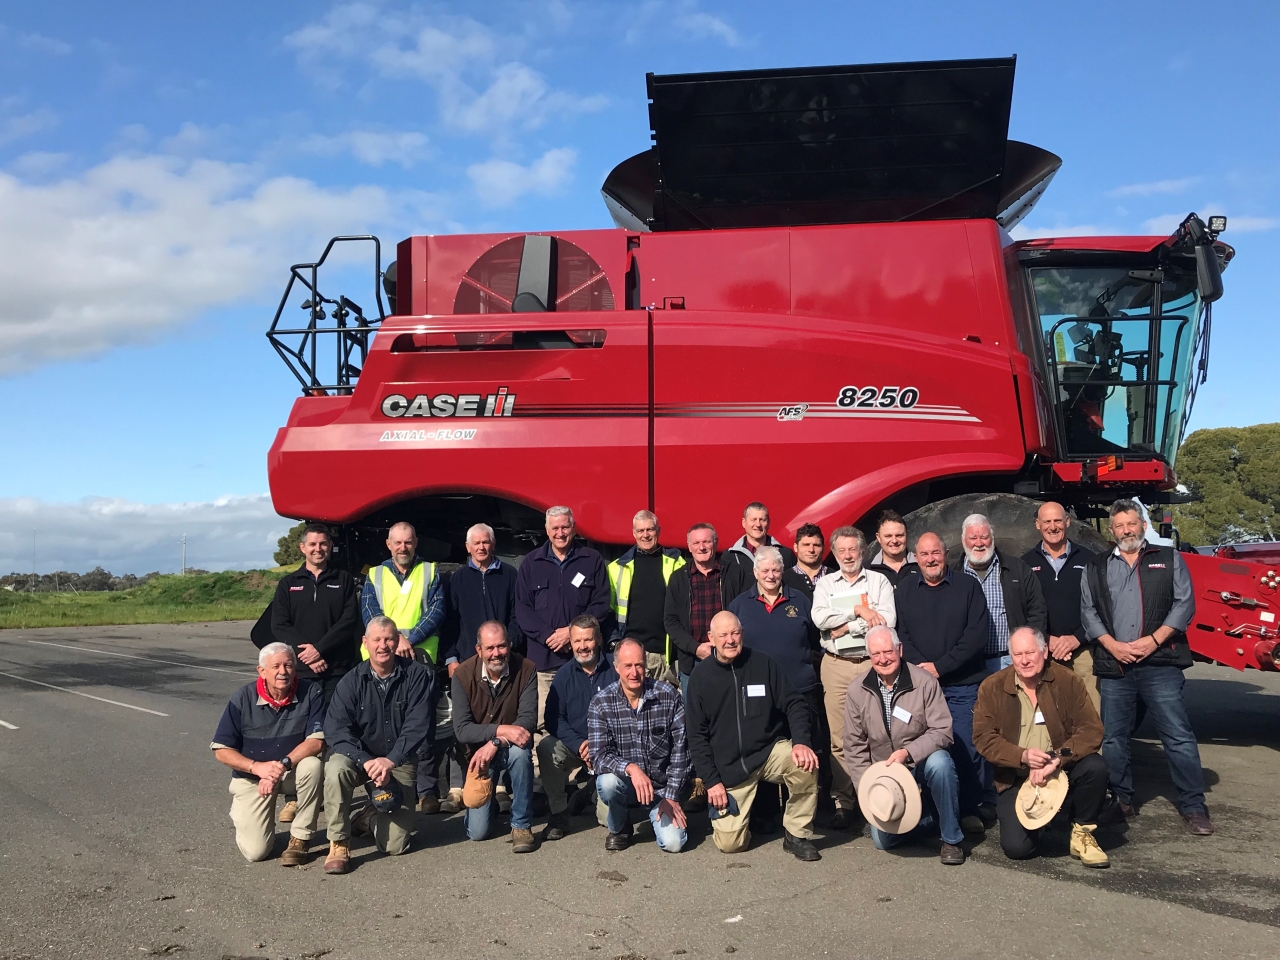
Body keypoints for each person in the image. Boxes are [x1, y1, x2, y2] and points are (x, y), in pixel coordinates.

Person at [1080, 499, 1212, 836]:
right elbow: (1089, 612)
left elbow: (1185, 606)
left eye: (1132, 524)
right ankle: (1123, 799)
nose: (1126, 530)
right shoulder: (1097, 566)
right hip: (1116, 666)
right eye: (1120, 526)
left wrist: (1153, 641)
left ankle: (1194, 805)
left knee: (1178, 736)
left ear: (1142, 526)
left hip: (1160, 663)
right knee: (1113, 738)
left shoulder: (1168, 559)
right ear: (1111, 531)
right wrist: (1112, 645)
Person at [686, 611, 821, 860]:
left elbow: (794, 704)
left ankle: (796, 834)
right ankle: (742, 819)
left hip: (767, 752)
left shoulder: (763, 664)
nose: (730, 640)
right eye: (723, 635)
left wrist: (801, 742)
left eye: (735, 633)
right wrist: (711, 781)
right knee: (731, 844)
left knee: (804, 764)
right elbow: (696, 736)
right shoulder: (700, 677)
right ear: (711, 638)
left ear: (742, 634)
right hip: (728, 769)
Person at [973, 626, 1110, 866]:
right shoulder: (992, 687)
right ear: (1010, 656)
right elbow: (983, 738)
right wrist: (1023, 756)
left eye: (1030, 653)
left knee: (1095, 767)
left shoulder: (1067, 681)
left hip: (1061, 768)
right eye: (1018, 655)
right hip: (1016, 777)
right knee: (1018, 848)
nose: (1025, 661)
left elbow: (1091, 729)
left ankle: (1082, 832)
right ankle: (1045, 818)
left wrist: (1057, 758)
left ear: (1044, 651)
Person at [322, 616, 435, 874]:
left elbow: (418, 725)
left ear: (397, 642)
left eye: (388, 639)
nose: (382, 645)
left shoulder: (417, 675)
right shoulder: (350, 682)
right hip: (361, 758)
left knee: (394, 846)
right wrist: (367, 760)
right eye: (376, 640)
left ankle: (369, 816)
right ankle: (339, 841)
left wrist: (391, 760)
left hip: (399, 759)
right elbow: (336, 730)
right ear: (365, 643)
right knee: (335, 768)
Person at [842, 626, 964, 864]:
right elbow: (854, 746)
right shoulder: (857, 690)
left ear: (900, 649)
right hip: (886, 773)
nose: (883, 659)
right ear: (869, 656)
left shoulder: (924, 681)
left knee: (941, 763)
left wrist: (908, 753)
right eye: (876, 654)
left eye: (888, 651)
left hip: (920, 761)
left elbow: (943, 731)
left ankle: (951, 839)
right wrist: (867, 790)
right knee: (882, 841)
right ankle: (932, 815)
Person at [895, 531, 990, 830]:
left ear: (945, 553)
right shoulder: (905, 590)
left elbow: (976, 636)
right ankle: (930, 811)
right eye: (924, 554)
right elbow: (901, 636)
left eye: (935, 553)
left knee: (965, 746)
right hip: (920, 688)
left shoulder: (968, 586)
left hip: (961, 684)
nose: (930, 559)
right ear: (916, 558)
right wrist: (924, 672)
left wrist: (940, 667)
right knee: (924, 747)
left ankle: (967, 809)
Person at [810, 526, 896, 828]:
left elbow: (887, 620)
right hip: (836, 665)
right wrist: (860, 611)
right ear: (834, 553)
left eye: (853, 550)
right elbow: (820, 618)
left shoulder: (879, 581)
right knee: (839, 736)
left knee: (878, 733)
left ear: (863, 551)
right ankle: (844, 802)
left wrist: (847, 626)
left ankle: (877, 797)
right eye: (842, 550)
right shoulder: (825, 584)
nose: (848, 555)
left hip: (874, 665)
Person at [359, 522, 449, 814]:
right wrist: (394, 639)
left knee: (422, 724)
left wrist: (409, 638)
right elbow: (370, 613)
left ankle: (427, 791)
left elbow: (436, 610)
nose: (402, 548)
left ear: (416, 542)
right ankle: (381, 788)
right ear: (388, 544)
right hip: (380, 660)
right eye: (397, 543)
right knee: (383, 725)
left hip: (420, 657)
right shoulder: (375, 575)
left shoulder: (430, 572)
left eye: (408, 542)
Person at [212, 643, 326, 866]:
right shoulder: (242, 698)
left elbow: (316, 741)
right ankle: (252, 819)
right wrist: (257, 768)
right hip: (254, 776)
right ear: (261, 671)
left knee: (313, 765)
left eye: (288, 665)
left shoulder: (311, 692)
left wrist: (281, 766)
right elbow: (221, 750)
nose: (282, 672)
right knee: (256, 852)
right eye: (275, 666)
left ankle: (300, 837)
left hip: (289, 769)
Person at [515, 506, 611, 751]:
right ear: (546, 530)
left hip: (583, 662)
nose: (560, 533)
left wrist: (571, 632)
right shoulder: (531, 562)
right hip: (543, 663)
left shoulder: (592, 560)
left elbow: (601, 603)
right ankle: (542, 782)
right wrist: (549, 635)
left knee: (585, 720)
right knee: (542, 724)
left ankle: (581, 780)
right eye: (555, 528)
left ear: (574, 528)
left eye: (565, 527)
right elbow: (523, 610)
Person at [587, 639, 691, 852]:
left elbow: (683, 752)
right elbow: (598, 757)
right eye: (627, 666)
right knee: (606, 783)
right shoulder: (601, 702)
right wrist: (631, 769)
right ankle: (621, 827)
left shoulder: (668, 695)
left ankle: (661, 811)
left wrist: (671, 796)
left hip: (661, 789)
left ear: (646, 665)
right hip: (625, 784)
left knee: (674, 844)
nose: (634, 672)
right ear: (616, 668)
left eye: (639, 665)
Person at [452, 620, 540, 851]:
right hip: (477, 757)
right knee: (478, 833)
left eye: (501, 646)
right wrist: (500, 729)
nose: (496, 653)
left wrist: (497, 740)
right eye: (490, 648)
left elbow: (528, 720)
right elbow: (462, 730)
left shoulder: (527, 668)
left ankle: (521, 824)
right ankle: (488, 805)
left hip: (508, 747)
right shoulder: (461, 675)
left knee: (521, 754)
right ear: (478, 650)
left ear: (509, 645)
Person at [538, 615, 618, 841]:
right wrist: (580, 744)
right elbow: (553, 719)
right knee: (546, 747)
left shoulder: (616, 669)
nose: (583, 647)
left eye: (588, 640)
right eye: (577, 641)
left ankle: (590, 792)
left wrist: (599, 745)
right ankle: (558, 814)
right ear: (570, 643)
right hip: (576, 747)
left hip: (610, 750)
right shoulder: (563, 675)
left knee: (609, 821)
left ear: (600, 639)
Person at [269, 523, 361, 702]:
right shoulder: (287, 583)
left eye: (323, 544)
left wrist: (319, 649)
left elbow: (349, 620)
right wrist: (309, 655)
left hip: (337, 670)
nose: (318, 549)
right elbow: (280, 624)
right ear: (302, 547)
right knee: (305, 726)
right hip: (302, 669)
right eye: (312, 544)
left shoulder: (344, 579)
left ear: (330, 546)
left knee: (337, 725)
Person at [1022, 502, 1099, 711]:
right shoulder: (1025, 564)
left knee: (1089, 714)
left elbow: (1100, 606)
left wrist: (1077, 638)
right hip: (1044, 652)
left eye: (1057, 521)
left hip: (1082, 652)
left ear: (1067, 522)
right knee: (1050, 715)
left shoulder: (1089, 559)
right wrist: (1046, 639)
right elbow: (1022, 609)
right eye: (1047, 521)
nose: (1053, 527)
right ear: (1038, 525)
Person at [664, 523, 752, 696]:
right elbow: (670, 621)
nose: (701, 547)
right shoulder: (678, 579)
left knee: (731, 714)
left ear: (716, 543)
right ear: (689, 547)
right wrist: (695, 648)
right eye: (696, 543)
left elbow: (747, 613)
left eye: (706, 542)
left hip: (730, 658)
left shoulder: (735, 573)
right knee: (695, 718)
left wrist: (728, 644)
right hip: (693, 662)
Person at [606, 510, 686, 681]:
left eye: (650, 529)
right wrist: (615, 643)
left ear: (659, 531)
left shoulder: (678, 564)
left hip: (669, 655)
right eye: (640, 531)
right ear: (633, 533)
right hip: (635, 656)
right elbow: (608, 613)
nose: (645, 535)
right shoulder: (616, 568)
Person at [448, 522, 522, 667]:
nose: (481, 547)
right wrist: (451, 658)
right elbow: (450, 623)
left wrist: (509, 643)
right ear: (468, 547)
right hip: (469, 659)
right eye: (476, 543)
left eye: (485, 542)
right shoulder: (458, 578)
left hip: (503, 657)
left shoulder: (509, 574)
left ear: (493, 544)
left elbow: (518, 614)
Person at [721, 502, 798, 579]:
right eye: (753, 520)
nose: (758, 524)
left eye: (762, 520)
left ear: (768, 523)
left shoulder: (785, 555)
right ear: (744, 522)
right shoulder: (730, 557)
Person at [867, 510, 920, 586]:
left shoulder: (922, 565)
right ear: (878, 537)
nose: (894, 541)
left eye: (899, 535)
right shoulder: (866, 570)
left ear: (907, 535)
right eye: (888, 536)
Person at [789, 523, 832, 598]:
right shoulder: (784, 580)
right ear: (796, 547)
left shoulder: (835, 578)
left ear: (823, 548)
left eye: (816, 545)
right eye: (806, 545)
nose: (811, 550)